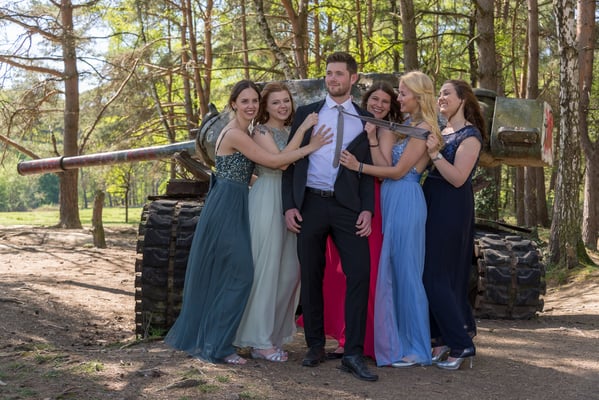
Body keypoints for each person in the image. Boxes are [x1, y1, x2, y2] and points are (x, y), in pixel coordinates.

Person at [164, 80, 331, 365]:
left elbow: (251, 171)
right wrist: (310, 143)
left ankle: (237, 340)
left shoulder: (246, 130)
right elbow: (277, 162)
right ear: (234, 104)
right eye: (245, 101)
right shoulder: (238, 133)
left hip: (242, 197)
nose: (251, 106)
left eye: (254, 100)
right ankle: (229, 343)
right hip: (229, 203)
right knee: (240, 273)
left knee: (253, 273)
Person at [282, 51, 378, 382]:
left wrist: (368, 209)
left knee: (360, 273)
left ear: (353, 78)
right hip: (309, 203)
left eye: (339, 73)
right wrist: (289, 205)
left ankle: (352, 353)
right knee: (311, 274)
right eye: (328, 73)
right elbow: (290, 162)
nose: (332, 79)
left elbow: (367, 171)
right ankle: (315, 345)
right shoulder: (307, 114)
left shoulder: (365, 119)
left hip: (348, 207)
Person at [340, 71, 441, 367]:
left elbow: (397, 172)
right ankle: (397, 342)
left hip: (406, 198)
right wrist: (373, 139)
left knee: (408, 273)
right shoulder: (408, 125)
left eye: (403, 93)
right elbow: (385, 166)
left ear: (419, 97)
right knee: (392, 274)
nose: (399, 98)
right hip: (391, 198)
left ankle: (417, 348)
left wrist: (358, 166)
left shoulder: (424, 128)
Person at [303, 81, 403, 360]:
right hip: (341, 200)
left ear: (391, 107)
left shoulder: (382, 130)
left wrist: (370, 140)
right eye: (374, 99)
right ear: (366, 100)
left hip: (369, 200)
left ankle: (365, 342)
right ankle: (343, 337)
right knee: (337, 274)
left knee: (366, 273)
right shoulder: (353, 118)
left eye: (385, 101)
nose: (379, 105)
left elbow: (382, 169)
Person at [234, 82, 324, 362]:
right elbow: (281, 163)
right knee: (268, 268)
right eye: (275, 102)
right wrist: (306, 137)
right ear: (265, 107)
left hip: (292, 201)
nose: (283, 106)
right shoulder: (261, 131)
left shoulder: (288, 130)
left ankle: (272, 335)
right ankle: (259, 341)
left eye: (286, 100)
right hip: (268, 198)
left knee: (289, 272)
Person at [422, 79, 486, 370]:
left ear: (463, 99)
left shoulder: (470, 135)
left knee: (435, 275)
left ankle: (462, 344)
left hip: (451, 206)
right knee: (435, 273)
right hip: (432, 202)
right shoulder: (442, 131)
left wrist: (434, 154)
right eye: (440, 93)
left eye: (447, 93)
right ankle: (441, 339)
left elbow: (459, 178)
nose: (441, 97)